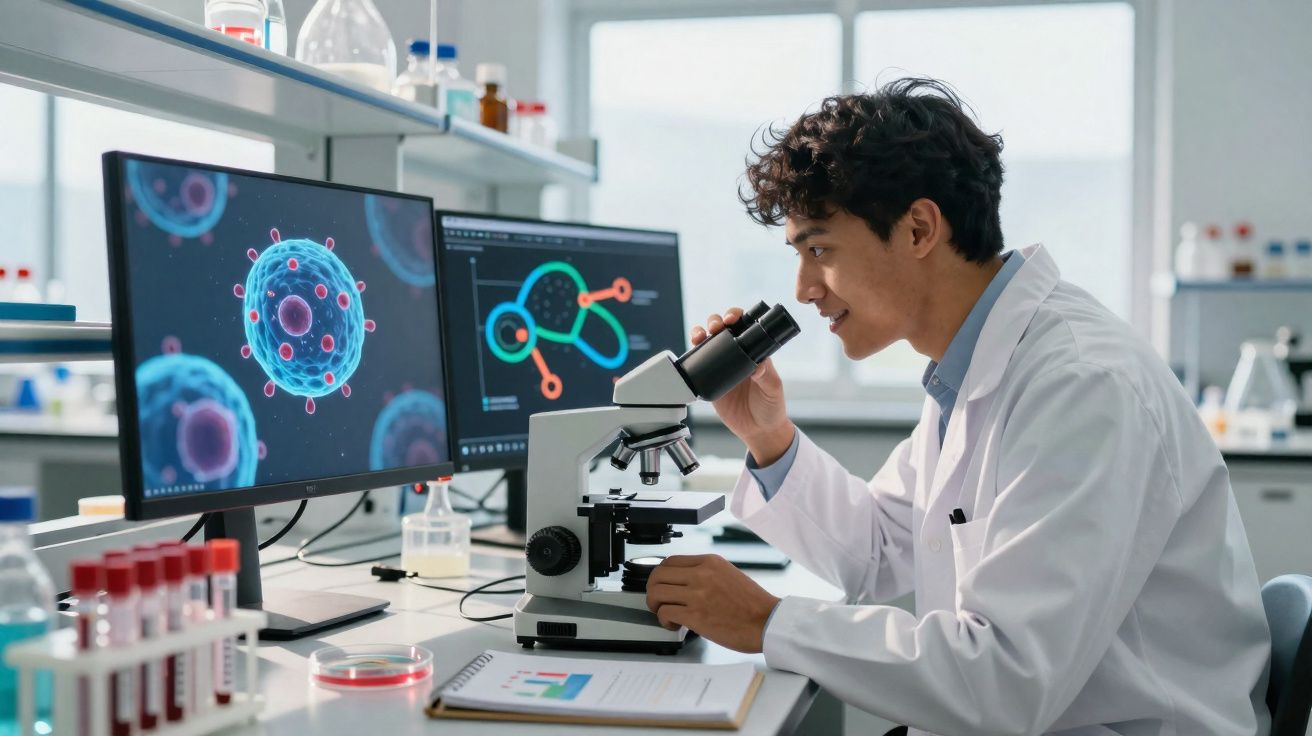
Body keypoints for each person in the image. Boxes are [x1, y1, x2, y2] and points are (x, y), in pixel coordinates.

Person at [644, 78, 1272, 735]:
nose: (803, 290)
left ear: (919, 228)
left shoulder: (1082, 387)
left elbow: (1005, 680)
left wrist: (767, 621)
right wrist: (768, 436)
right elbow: (879, 550)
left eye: (819, 250)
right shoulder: (969, 369)